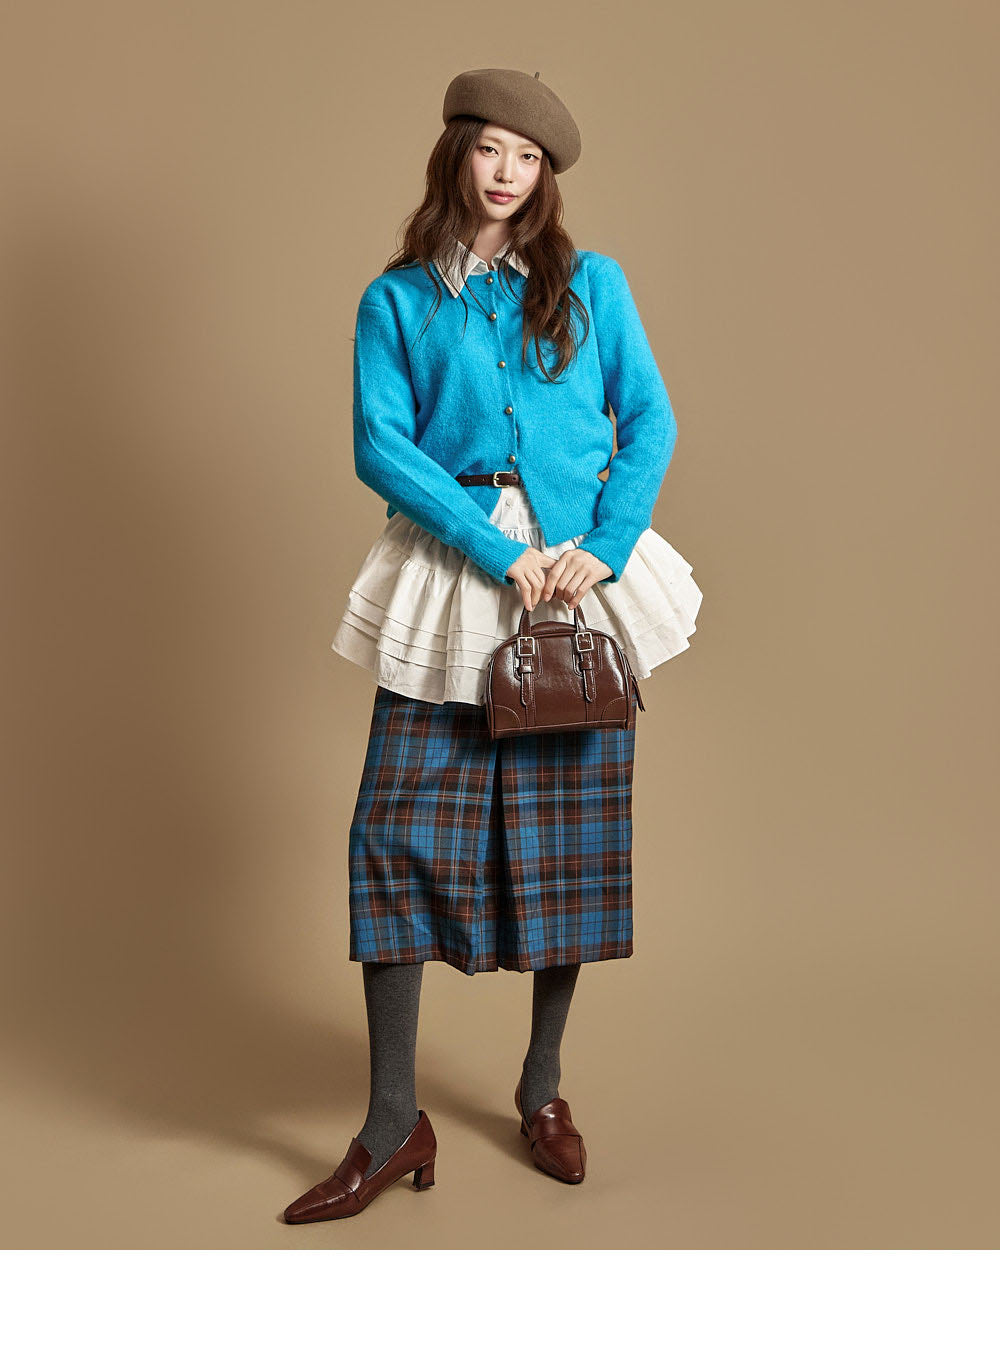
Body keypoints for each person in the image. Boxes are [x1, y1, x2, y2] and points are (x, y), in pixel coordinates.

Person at [283, 67, 703, 1224]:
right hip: (455, 570)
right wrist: (489, 547)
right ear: (456, 153)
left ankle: (541, 1086)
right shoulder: (397, 300)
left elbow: (648, 418)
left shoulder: (591, 283)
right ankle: (390, 1123)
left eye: (529, 156)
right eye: (490, 148)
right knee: (393, 835)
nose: (508, 171)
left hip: (577, 575)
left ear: (545, 174)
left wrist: (604, 546)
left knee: (569, 838)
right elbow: (379, 445)